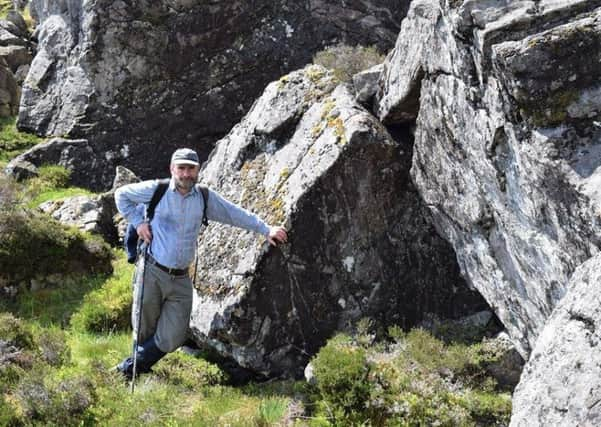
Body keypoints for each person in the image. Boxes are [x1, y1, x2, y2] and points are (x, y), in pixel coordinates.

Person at [114, 148, 288, 379]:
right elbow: (122, 195)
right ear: (172, 169)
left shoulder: (204, 198)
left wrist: (266, 229)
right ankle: (133, 375)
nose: (186, 174)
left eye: (191, 168)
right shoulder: (157, 189)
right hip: (152, 270)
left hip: (181, 278)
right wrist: (138, 223)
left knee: (175, 335)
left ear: (198, 170)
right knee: (144, 327)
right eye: (182, 168)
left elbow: (234, 213)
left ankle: (127, 368)